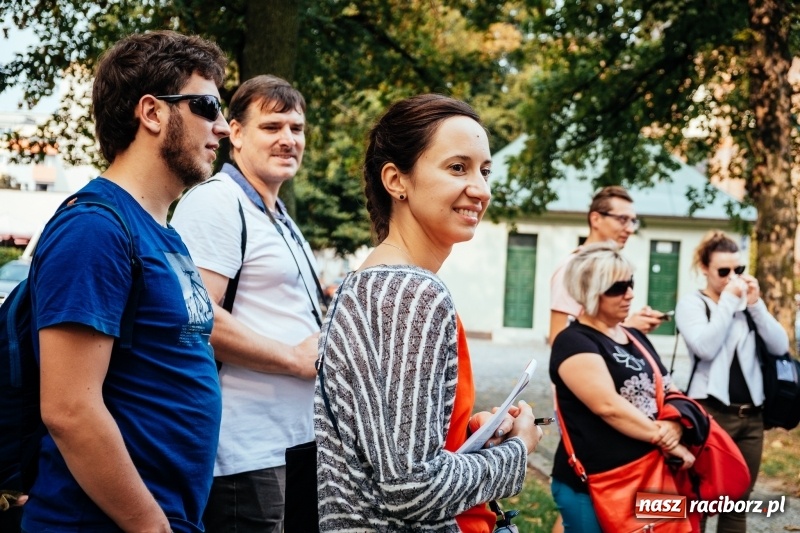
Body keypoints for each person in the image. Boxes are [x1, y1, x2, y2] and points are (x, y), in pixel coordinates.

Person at [23, 31, 230, 532]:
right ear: (153, 113)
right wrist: (150, 526)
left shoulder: (162, 232)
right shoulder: (94, 228)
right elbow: (70, 409)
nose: (223, 127)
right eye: (207, 105)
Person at [314, 94, 543, 532]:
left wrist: (470, 439)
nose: (480, 188)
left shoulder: (363, 282)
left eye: (485, 170)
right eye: (458, 167)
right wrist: (518, 450)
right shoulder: (412, 291)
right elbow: (410, 489)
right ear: (396, 180)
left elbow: (388, 459)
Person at [170, 75, 321, 532]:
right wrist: (295, 359)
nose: (287, 140)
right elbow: (196, 318)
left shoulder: (277, 215)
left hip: (296, 443)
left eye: (296, 129)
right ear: (235, 133)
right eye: (272, 127)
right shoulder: (218, 202)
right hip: (244, 451)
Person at [549, 242, 695, 532]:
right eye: (617, 287)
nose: (629, 293)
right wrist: (666, 438)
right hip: (598, 482)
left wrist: (676, 425)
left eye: (630, 283)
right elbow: (608, 407)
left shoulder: (633, 336)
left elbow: (668, 389)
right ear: (590, 291)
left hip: (652, 474)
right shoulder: (573, 341)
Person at [675, 231, 788, 533]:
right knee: (701, 503)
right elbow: (705, 347)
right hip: (711, 414)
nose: (731, 278)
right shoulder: (693, 304)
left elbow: (780, 347)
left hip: (751, 418)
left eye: (737, 270)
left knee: (737, 503)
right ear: (704, 268)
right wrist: (727, 302)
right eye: (723, 271)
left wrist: (756, 305)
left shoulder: (745, 307)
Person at [548, 185, 667, 345]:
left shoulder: (615, 264)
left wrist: (629, 324)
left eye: (633, 221)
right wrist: (629, 328)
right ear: (595, 219)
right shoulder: (572, 267)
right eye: (622, 219)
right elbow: (559, 340)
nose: (630, 229)